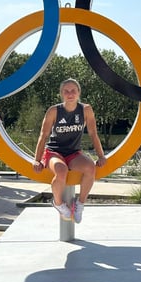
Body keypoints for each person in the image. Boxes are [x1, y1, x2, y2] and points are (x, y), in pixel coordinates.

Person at [32, 78, 106, 224]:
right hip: (54, 152)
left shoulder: (85, 110)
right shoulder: (54, 111)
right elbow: (43, 135)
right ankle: (58, 204)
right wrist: (37, 159)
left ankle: (80, 204)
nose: (70, 93)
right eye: (66, 91)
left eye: (73, 90)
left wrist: (101, 156)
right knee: (61, 170)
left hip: (73, 153)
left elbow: (93, 134)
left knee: (90, 167)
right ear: (61, 94)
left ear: (79, 92)